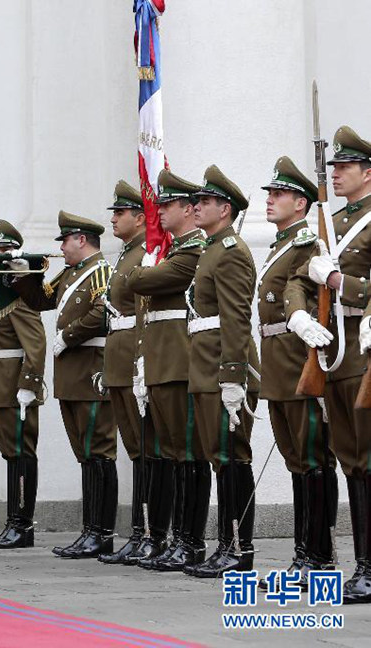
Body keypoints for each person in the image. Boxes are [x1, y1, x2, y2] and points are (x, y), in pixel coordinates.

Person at [286, 125, 371, 604]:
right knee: (350, 460)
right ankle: (362, 566)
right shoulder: (331, 223)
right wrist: (298, 313)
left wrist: (339, 279)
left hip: (364, 349)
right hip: (333, 352)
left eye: (344, 167)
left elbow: (349, 283)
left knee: (368, 457)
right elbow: (300, 277)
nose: (336, 174)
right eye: (333, 167)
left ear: (367, 172)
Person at [9, 210, 116, 560]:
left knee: (99, 451)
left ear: (81, 240)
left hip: (90, 370)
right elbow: (42, 301)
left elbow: (103, 313)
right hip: (72, 374)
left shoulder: (101, 270)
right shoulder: (71, 272)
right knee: (85, 455)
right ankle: (89, 530)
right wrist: (28, 274)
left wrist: (68, 336)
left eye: (66, 241)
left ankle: (101, 532)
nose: (63, 248)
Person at [257, 157, 336, 589]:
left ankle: (317, 556)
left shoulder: (307, 244)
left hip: (298, 359)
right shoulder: (281, 245)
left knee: (312, 460)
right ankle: (304, 553)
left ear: (301, 202)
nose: (270, 200)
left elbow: (303, 293)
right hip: (277, 362)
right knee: (296, 461)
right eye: (270, 194)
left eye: (279, 194)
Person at [127, 169, 210, 572]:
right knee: (174, 456)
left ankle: (190, 541)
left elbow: (138, 283)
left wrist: (143, 268)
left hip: (179, 364)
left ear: (188, 210)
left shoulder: (193, 251)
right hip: (162, 363)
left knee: (188, 455)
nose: (158, 210)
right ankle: (175, 538)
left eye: (166, 204)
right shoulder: (176, 250)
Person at [182, 166, 260, 578]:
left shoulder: (230, 251)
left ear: (224, 208)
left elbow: (235, 317)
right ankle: (225, 544)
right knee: (219, 458)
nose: (196, 207)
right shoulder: (212, 248)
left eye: (205, 202)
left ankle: (238, 549)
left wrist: (234, 375)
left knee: (232, 458)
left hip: (223, 369)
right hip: (206, 366)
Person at [94, 181, 156, 566]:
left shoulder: (146, 253)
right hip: (117, 357)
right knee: (136, 450)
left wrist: (138, 361)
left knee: (145, 450)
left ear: (139, 216)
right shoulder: (126, 254)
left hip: (133, 356)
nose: (114, 219)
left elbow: (142, 315)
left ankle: (146, 531)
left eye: (120, 213)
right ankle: (137, 532)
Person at [0, 219, 46, 549]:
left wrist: (29, 385)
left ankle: (22, 525)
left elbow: (35, 343)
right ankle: (14, 523)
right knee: (11, 453)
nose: (0, 255)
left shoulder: (19, 292)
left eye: (6, 250)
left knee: (21, 453)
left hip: (15, 387)